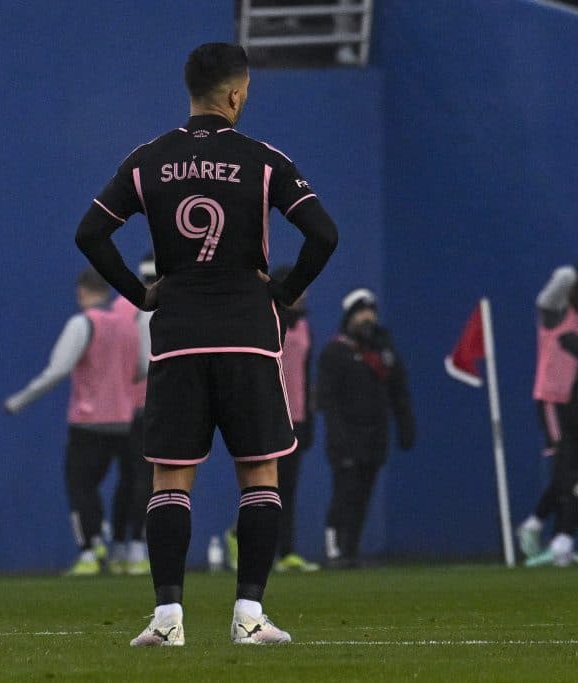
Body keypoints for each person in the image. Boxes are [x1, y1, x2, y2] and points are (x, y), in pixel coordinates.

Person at [75, 42, 338, 646]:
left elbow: (90, 233)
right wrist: (284, 292)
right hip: (248, 335)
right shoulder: (264, 160)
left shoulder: (147, 160)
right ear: (236, 94)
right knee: (260, 474)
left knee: (170, 480)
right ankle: (249, 616)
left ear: (190, 90)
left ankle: (167, 620)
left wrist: (141, 294)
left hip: (179, 335)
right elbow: (324, 234)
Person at [4, 268, 140, 576]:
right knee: (120, 483)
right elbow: (142, 366)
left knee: (80, 485)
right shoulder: (127, 326)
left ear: (81, 291)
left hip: (88, 423)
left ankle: (91, 548)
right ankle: (115, 544)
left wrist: (19, 401)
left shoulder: (83, 323)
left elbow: (58, 369)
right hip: (124, 421)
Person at [224, 265, 319, 573]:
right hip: (266, 411)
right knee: (263, 485)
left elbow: (305, 374)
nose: (304, 294)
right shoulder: (263, 317)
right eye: (299, 288)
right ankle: (238, 536)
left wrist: (309, 418)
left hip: (296, 415)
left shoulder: (304, 327)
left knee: (287, 487)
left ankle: (286, 551)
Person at [317, 289, 414, 569]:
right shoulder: (335, 352)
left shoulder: (384, 352)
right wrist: (337, 434)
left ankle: (351, 550)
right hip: (346, 436)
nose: (367, 317)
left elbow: (399, 391)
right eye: (361, 312)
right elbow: (327, 399)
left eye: (371, 312)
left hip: (375, 436)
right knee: (344, 493)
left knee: (363, 495)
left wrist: (405, 425)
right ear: (349, 317)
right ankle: (335, 549)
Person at [517, 266, 578, 567]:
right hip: (553, 400)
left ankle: (540, 526)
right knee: (568, 474)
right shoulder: (556, 312)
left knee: (568, 475)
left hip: (575, 403)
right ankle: (559, 540)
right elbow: (559, 282)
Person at [106, 253, 157, 576]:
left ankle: (119, 546)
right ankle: (136, 545)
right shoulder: (157, 307)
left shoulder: (118, 308)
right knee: (145, 478)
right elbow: (145, 363)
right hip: (150, 404)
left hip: (121, 408)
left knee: (127, 479)